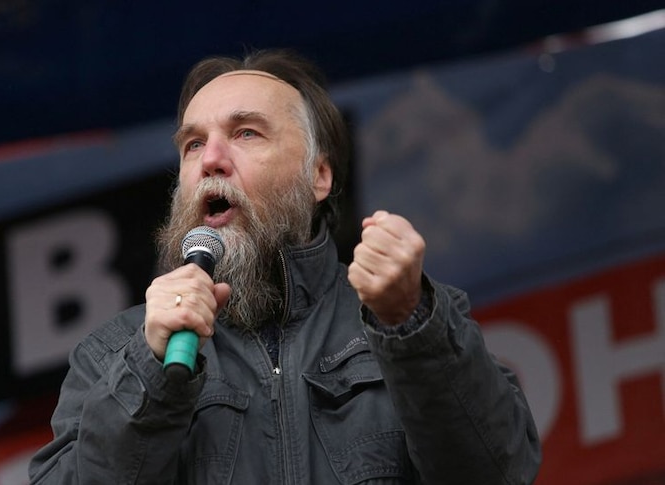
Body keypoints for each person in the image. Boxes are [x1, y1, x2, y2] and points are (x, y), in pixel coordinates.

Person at [28, 49, 541, 484]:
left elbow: (501, 470)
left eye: (247, 133)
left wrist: (410, 325)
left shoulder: (412, 318)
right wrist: (148, 367)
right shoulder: (112, 354)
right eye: (192, 144)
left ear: (319, 176)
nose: (211, 159)